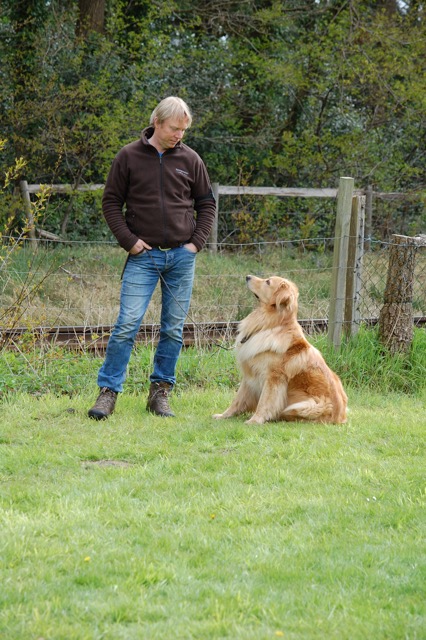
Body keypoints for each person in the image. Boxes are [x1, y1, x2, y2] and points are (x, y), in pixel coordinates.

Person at [88, 96, 216, 420]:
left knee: (173, 329)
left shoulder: (191, 159)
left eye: (184, 130)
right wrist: (129, 242)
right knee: (126, 324)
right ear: (157, 122)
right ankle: (108, 393)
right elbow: (110, 203)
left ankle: (160, 394)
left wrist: (196, 244)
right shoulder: (128, 156)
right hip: (143, 258)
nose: (179, 136)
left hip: (181, 257)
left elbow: (207, 203)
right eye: (175, 128)